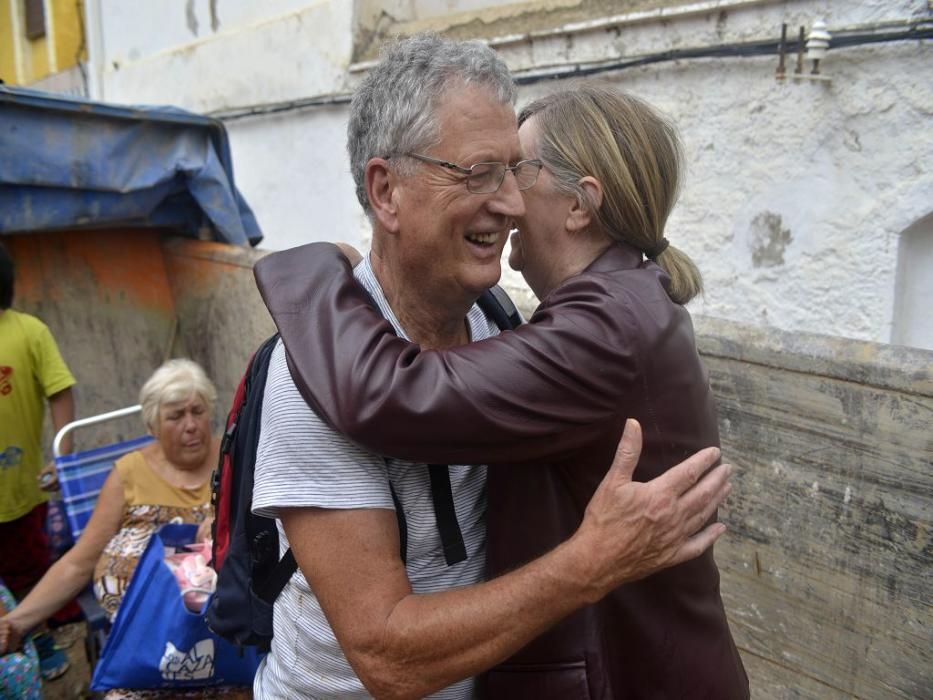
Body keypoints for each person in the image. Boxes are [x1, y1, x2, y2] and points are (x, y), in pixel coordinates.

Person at [249, 34, 734, 700]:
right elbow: (387, 658)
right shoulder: (310, 378)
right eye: (479, 172)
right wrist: (588, 563)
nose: (506, 202)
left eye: (514, 170)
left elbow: (398, 391)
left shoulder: (516, 321)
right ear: (384, 191)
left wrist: (308, 272)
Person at [0, 359, 246, 700]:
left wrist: (225, 529)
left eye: (198, 411)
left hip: (226, 650)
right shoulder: (128, 474)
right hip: (144, 651)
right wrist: (15, 623)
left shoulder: (235, 461)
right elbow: (78, 563)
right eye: (176, 416)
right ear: (153, 426)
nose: (191, 425)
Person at [0, 241, 77, 680]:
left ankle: (40, 637)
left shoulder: (28, 331)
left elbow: (60, 389)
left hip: (23, 491)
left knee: (29, 569)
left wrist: (60, 458)